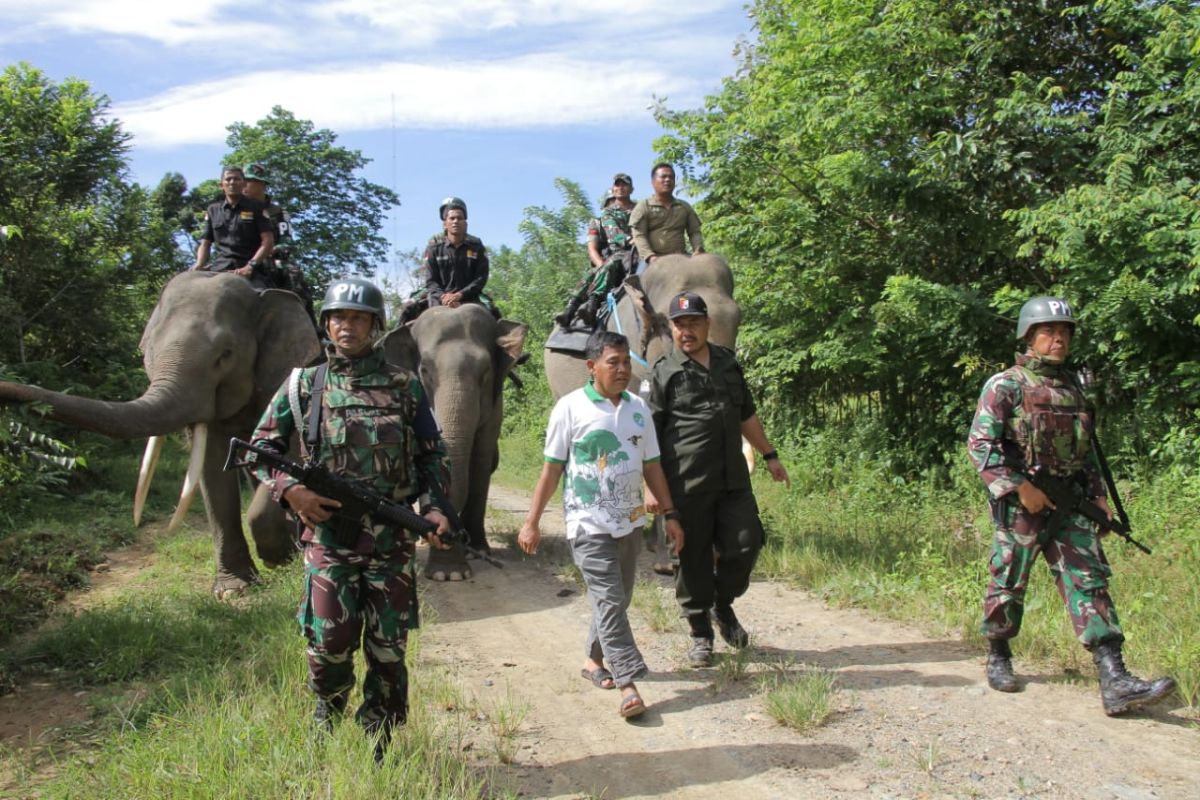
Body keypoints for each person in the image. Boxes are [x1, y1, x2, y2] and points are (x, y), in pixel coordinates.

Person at [248, 276, 452, 760]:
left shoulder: (405, 385)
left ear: (375, 326)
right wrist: (291, 491)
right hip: (328, 540)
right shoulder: (303, 385)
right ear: (326, 324)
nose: (347, 326)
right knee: (330, 641)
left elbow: (432, 454)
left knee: (388, 647)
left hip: (391, 541)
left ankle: (379, 733)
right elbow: (259, 451)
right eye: (339, 317)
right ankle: (327, 709)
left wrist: (437, 506)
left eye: (358, 318)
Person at [966, 296, 1175, 715]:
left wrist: (1098, 495)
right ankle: (999, 652)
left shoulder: (1073, 388)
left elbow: (1089, 450)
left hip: (1070, 502)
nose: (1058, 339)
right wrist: (1018, 487)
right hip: (1022, 504)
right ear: (1029, 337)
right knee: (1008, 580)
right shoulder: (1006, 385)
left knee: (1089, 581)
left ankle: (1114, 677)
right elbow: (981, 445)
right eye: (1048, 332)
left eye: (1064, 332)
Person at [518, 331, 684, 718]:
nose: (623, 369)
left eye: (626, 362)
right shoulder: (570, 408)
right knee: (610, 599)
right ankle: (628, 683)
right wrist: (531, 522)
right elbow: (552, 470)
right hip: (587, 524)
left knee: (619, 599)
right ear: (591, 367)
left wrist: (671, 515)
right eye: (614, 362)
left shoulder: (638, 409)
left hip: (630, 522)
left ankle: (594, 661)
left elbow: (652, 466)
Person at [647, 291, 789, 667]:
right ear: (671, 329)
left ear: (708, 324)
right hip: (686, 482)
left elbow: (746, 414)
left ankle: (721, 604)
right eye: (679, 325)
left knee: (747, 542)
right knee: (691, 557)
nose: (686, 331)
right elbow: (649, 436)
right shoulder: (664, 371)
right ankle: (700, 633)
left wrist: (770, 455)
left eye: (693, 323)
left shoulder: (727, 362)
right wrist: (651, 487)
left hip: (732, 478)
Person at [556, 174, 638, 328]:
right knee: (596, 272)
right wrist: (602, 265)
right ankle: (575, 307)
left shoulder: (638, 209)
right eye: (610, 202)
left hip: (637, 253)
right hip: (613, 257)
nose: (613, 204)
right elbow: (593, 249)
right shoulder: (600, 220)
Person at [400, 197, 497, 323]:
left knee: (494, 313)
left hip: (469, 297)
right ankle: (390, 341)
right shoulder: (434, 247)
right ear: (444, 223)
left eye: (459, 218)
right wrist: (443, 297)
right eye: (452, 218)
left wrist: (459, 295)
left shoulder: (476, 247)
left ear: (465, 223)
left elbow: (480, 278)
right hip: (438, 297)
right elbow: (431, 280)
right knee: (407, 308)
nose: (456, 221)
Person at [242, 162, 317, 322]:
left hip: (270, 258)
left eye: (249, 181)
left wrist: (271, 251)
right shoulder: (236, 210)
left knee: (293, 274)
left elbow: (287, 240)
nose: (244, 185)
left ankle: (311, 325)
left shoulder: (278, 213)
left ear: (262, 184)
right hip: (239, 258)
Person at [192, 165, 275, 290]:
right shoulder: (213, 210)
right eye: (228, 179)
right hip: (219, 268)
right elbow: (205, 243)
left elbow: (268, 241)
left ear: (243, 184)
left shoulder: (257, 207)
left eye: (237, 179)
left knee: (261, 299)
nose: (232, 182)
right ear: (221, 185)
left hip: (251, 269)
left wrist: (250, 266)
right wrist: (199, 264)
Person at [629, 163, 703, 269]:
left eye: (671, 177)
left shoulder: (684, 206)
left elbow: (695, 232)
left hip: (681, 257)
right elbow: (639, 235)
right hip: (652, 258)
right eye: (663, 177)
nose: (668, 180)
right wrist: (650, 257)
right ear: (653, 182)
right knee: (638, 283)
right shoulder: (643, 206)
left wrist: (698, 250)